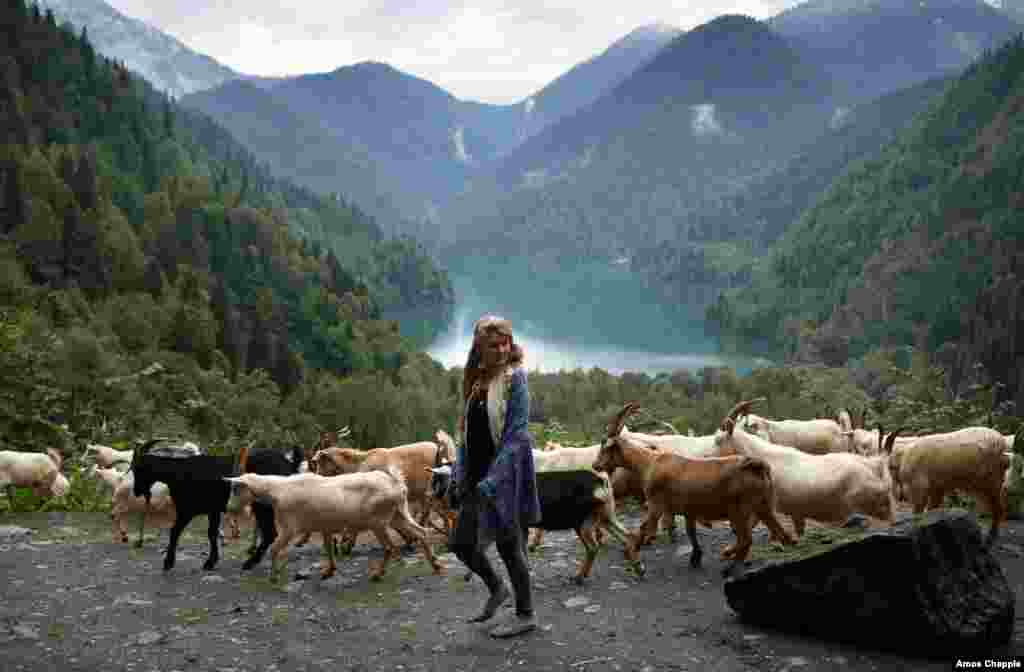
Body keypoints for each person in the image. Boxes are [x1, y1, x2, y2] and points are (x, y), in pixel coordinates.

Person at [447, 314, 542, 638]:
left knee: (508, 545)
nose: (502, 350)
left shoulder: (516, 379)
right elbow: (466, 430)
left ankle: (525, 613)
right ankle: (497, 588)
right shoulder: (477, 378)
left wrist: (495, 479)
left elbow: (517, 436)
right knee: (461, 543)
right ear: (479, 347)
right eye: (493, 345)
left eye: (505, 343)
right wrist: (460, 470)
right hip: (477, 475)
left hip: (503, 475)